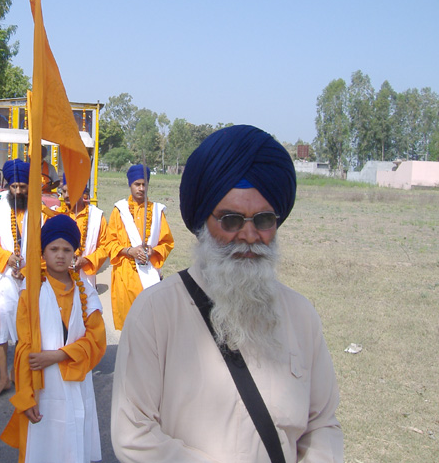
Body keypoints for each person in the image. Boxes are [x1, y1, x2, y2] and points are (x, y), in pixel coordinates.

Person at [111, 125, 343, 462]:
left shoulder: (301, 315)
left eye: (263, 219)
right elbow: (133, 434)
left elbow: (322, 425)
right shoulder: (155, 313)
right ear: (203, 224)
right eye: (231, 220)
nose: (249, 235)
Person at [0, 214, 106, 463]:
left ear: (74, 254)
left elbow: (97, 341)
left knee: (73, 443)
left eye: (67, 250)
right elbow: (24, 346)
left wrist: (58, 355)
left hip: (77, 381)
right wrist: (25, 395)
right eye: (54, 249)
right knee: (43, 446)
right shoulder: (31, 292)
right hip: (42, 385)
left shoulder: (86, 293)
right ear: (43, 252)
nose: (60, 255)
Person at [0, 159, 54, 396]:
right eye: (14, 187)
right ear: (8, 186)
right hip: (4, 277)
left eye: (23, 187)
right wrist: (7, 258)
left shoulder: (41, 213)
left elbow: (48, 249)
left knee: (24, 328)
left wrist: (27, 268)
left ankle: (19, 374)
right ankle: (3, 377)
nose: (19, 191)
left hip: (31, 279)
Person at [105, 164, 174, 330]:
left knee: (149, 326)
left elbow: (167, 243)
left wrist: (153, 251)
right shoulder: (119, 211)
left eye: (144, 184)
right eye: (137, 184)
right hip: (125, 277)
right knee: (128, 326)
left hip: (149, 275)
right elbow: (109, 243)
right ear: (130, 184)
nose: (141, 188)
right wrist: (130, 251)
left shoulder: (157, 211)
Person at [54, 178, 109, 288]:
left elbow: (105, 247)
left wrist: (86, 260)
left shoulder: (96, 217)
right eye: (64, 191)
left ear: (82, 192)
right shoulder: (55, 214)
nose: (66, 195)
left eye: (70, 191)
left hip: (85, 278)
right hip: (58, 278)